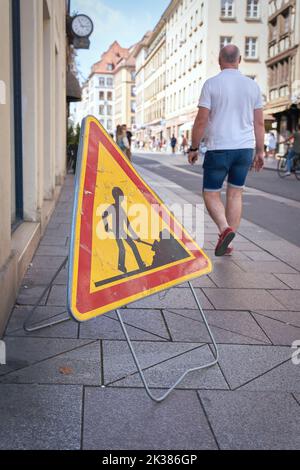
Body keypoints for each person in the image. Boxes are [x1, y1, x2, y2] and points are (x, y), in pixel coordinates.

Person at [188, 44, 265, 257]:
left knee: (211, 194)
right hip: (244, 149)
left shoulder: (212, 84)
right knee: (235, 194)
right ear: (239, 60)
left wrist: (194, 147)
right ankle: (229, 243)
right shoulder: (252, 86)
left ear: (219, 61)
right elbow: (259, 123)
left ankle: (224, 229)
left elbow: (202, 119)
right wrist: (260, 151)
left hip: (219, 148)